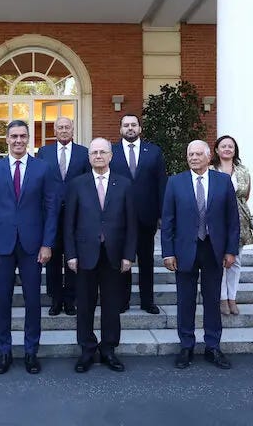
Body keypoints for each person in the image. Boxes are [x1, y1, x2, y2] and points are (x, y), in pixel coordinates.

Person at [0, 119, 59, 375]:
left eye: (22, 136)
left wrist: (47, 244)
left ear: (28, 139)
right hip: (1, 246)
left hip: (32, 246)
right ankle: (4, 352)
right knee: (2, 300)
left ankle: (30, 351)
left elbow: (51, 208)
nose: (18, 140)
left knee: (33, 300)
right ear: (6, 139)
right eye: (13, 136)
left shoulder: (43, 168)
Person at [161, 140, 239, 370]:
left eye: (197, 154)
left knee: (212, 300)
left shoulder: (223, 181)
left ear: (208, 157)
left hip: (213, 249)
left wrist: (231, 250)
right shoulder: (175, 182)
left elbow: (232, 220)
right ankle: (186, 346)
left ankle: (213, 346)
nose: (193, 158)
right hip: (185, 250)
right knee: (185, 300)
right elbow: (168, 220)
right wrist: (168, 252)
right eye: (190, 154)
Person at [64, 138, 136, 373]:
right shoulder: (77, 184)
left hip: (114, 254)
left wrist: (128, 255)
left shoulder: (124, 184)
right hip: (85, 254)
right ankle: (87, 349)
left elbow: (131, 223)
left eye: (102, 152)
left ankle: (108, 349)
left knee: (112, 305)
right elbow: (69, 223)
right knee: (84, 305)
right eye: (94, 152)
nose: (98, 156)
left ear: (110, 156)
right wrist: (71, 254)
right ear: (89, 157)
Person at [110, 114, 167, 314]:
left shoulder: (154, 152)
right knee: (121, 261)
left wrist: (162, 214)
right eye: (126, 125)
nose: (130, 128)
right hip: (119, 217)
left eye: (133, 125)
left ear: (140, 128)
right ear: (120, 129)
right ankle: (122, 301)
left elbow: (161, 184)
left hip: (146, 216)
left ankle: (147, 301)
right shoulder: (111, 152)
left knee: (146, 261)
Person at [36, 117, 89, 316]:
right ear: (55, 131)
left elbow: (88, 183)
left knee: (73, 256)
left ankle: (70, 300)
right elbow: (40, 182)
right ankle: (55, 299)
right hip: (51, 214)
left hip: (77, 213)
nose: (64, 130)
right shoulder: (44, 152)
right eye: (60, 127)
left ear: (73, 130)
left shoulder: (84, 152)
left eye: (67, 127)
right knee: (53, 258)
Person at [210, 135, 253, 315]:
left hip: (239, 219)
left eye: (231, 146)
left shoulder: (243, 171)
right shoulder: (211, 170)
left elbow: (246, 195)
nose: (227, 149)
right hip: (216, 218)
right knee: (219, 260)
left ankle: (232, 297)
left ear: (235, 150)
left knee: (235, 260)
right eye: (223, 146)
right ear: (216, 149)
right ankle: (222, 298)